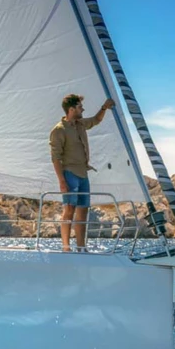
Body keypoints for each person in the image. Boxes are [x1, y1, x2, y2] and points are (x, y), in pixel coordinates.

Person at [49, 94, 115, 252]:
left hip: (83, 174)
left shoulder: (80, 124)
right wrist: (61, 181)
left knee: (83, 210)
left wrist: (104, 107)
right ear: (71, 109)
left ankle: (81, 247)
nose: (82, 109)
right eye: (80, 107)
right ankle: (66, 247)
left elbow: (96, 120)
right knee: (69, 209)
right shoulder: (59, 130)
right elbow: (55, 158)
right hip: (69, 173)